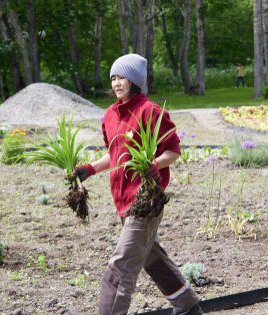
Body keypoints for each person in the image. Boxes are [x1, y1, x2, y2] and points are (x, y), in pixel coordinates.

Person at [73, 54, 203, 315]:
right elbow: (115, 153)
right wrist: (89, 169)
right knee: (153, 259)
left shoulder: (150, 111)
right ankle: (188, 307)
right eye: (113, 78)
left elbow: (173, 151)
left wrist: (154, 165)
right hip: (122, 200)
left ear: (135, 81)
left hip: (145, 201)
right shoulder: (110, 115)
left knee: (120, 267)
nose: (117, 82)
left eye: (122, 77)